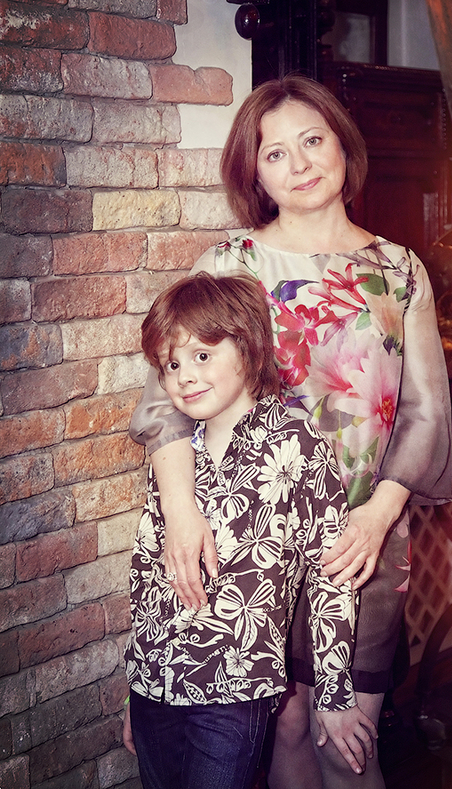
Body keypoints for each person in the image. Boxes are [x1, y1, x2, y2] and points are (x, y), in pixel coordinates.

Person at [130, 75, 452, 789]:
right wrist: (182, 515)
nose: (299, 164)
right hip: (250, 545)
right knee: (284, 725)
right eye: (274, 153)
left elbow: (425, 412)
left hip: (360, 544)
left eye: (312, 140)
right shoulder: (229, 265)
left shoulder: (399, 271)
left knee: (348, 744)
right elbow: (165, 403)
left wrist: (376, 518)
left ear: (342, 145)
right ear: (254, 173)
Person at [123, 272, 378, 789]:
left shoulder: (298, 444)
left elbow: (330, 576)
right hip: (154, 685)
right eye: (172, 365)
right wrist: (135, 686)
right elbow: (148, 573)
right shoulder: (172, 458)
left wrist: (332, 696)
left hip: (236, 689)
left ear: (246, 347)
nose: (185, 377)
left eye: (201, 355)